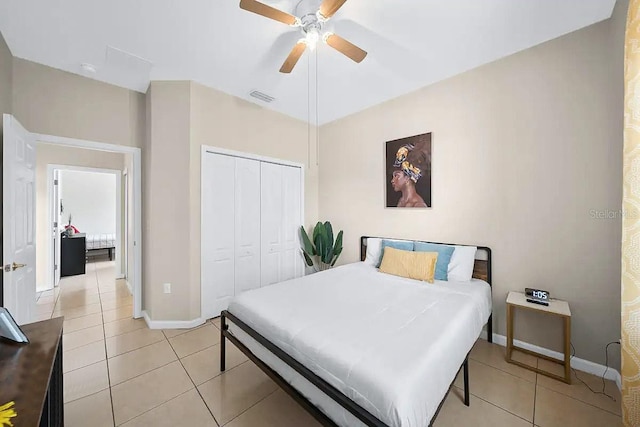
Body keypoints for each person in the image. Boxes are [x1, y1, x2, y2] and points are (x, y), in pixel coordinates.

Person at [390, 142, 429, 207]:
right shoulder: (401, 201)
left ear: (407, 177)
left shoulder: (419, 205)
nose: (392, 180)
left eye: (396, 175)